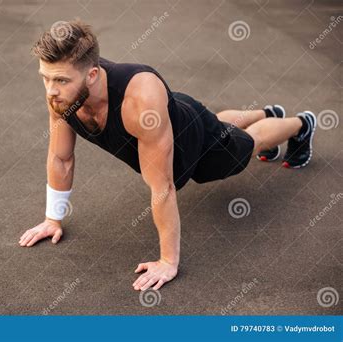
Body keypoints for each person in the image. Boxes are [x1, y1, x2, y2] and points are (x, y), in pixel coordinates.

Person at [18, 20, 317, 292]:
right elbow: (61, 158)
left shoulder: (139, 101)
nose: (50, 90)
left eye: (59, 81)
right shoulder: (64, 93)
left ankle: (300, 125)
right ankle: (266, 112)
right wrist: (52, 219)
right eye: (45, 78)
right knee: (219, 126)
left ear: (92, 75)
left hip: (189, 136)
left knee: (248, 145)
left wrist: (167, 261)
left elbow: (163, 187)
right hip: (178, 117)